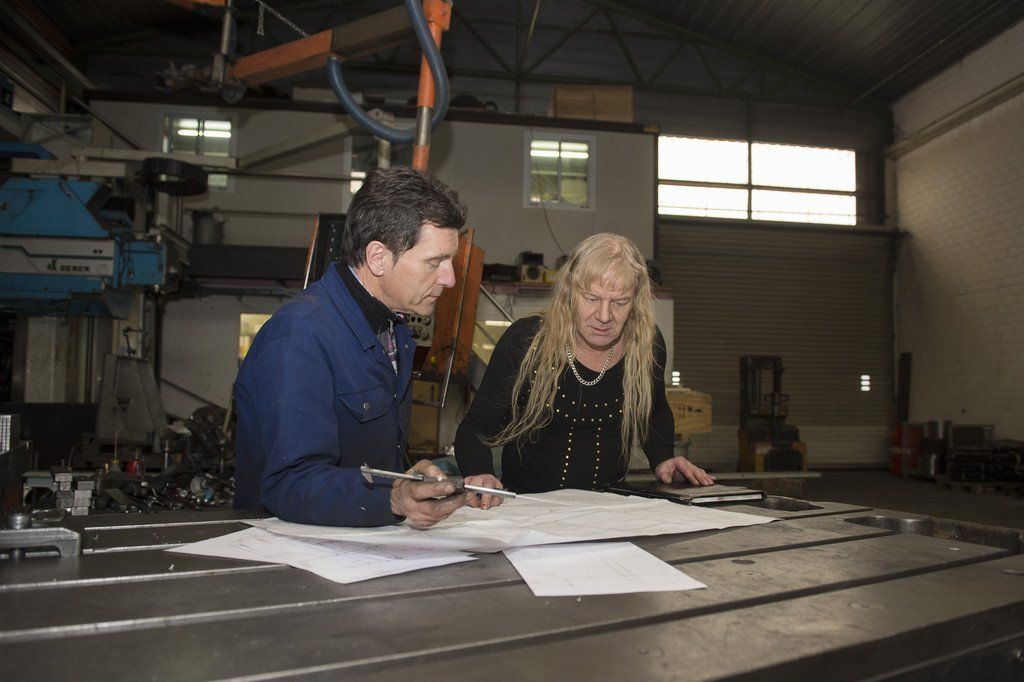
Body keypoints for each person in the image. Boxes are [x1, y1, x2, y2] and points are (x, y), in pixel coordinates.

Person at [234, 166, 473, 527]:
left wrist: (410, 487)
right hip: (294, 549)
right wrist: (392, 497)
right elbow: (288, 482)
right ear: (378, 257)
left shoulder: (393, 331)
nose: (450, 278)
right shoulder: (299, 337)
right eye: (434, 262)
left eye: (449, 261)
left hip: (364, 541)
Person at [455, 232, 715, 508]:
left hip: (608, 508)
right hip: (527, 506)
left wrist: (663, 458)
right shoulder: (526, 341)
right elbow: (476, 426)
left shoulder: (646, 344)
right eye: (591, 298)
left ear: (636, 301)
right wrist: (480, 473)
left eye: (619, 302)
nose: (604, 316)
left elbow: (655, 411)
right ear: (570, 292)